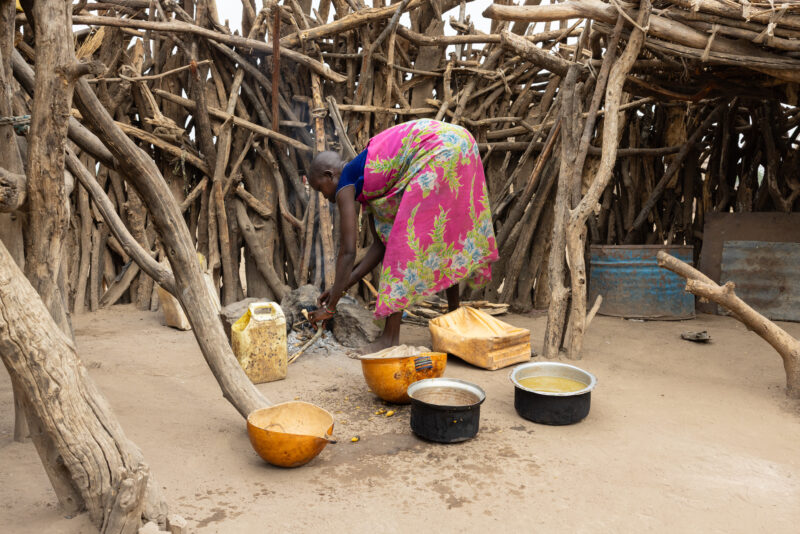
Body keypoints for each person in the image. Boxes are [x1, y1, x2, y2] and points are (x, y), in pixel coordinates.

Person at [307, 118, 499, 353]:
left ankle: (389, 337)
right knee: (446, 236)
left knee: (403, 248)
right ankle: (454, 317)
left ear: (329, 176)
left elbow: (348, 252)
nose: (323, 197)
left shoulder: (345, 184)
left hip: (440, 151)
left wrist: (331, 307)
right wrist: (340, 287)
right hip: (460, 142)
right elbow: (380, 246)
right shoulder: (369, 176)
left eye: (319, 189)